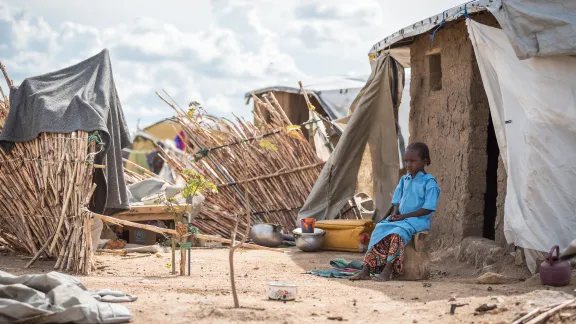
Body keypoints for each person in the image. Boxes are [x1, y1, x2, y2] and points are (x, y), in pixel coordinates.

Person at [350, 142, 440, 281]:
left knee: (398, 233)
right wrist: (395, 214)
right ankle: (366, 269)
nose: (409, 164)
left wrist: (404, 216)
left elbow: (428, 208)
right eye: (406, 161)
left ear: (425, 161)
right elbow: (397, 201)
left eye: (413, 161)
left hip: (418, 221)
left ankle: (388, 269)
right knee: (379, 228)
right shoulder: (405, 179)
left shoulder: (429, 182)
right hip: (402, 219)